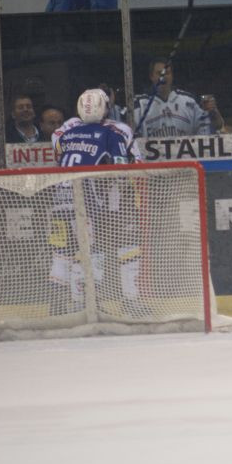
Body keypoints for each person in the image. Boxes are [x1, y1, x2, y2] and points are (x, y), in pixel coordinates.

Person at [49, 89, 142, 317]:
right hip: (94, 202)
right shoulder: (115, 132)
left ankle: (59, 309)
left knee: (62, 255)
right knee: (96, 252)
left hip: (60, 200)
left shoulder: (64, 132)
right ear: (106, 107)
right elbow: (127, 168)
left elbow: (59, 155)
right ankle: (95, 304)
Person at [134, 58, 225, 137]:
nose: (163, 77)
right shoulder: (140, 104)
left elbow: (215, 127)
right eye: (159, 73)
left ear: (172, 76)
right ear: (151, 76)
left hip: (185, 156)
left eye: (167, 73)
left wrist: (213, 111)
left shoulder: (188, 101)